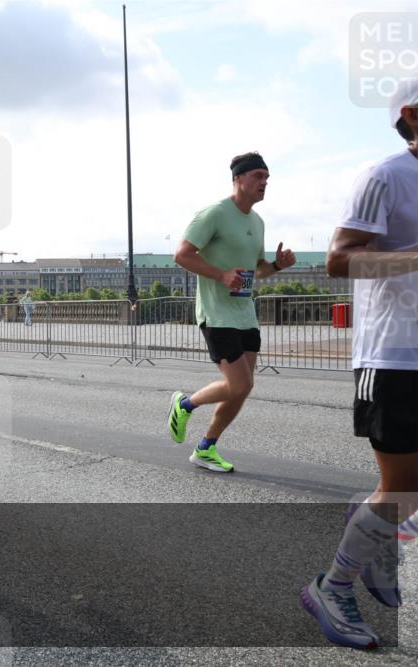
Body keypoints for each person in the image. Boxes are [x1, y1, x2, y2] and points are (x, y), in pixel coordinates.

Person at [300, 78, 418, 650]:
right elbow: (338, 262)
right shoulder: (386, 175)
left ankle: (381, 528)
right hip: (395, 353)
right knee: (404, 488)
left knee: (403, 492)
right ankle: (334, 584)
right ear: (412, 115)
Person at [168, 151, 296, 473]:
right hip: (217, 313)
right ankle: (184, 404)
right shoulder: (214, 214)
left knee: (245, 387)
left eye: (267, 178)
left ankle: (206, 447)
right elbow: (182, 255)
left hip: (245, 314)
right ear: (238, 179)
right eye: (258, 176)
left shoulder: (257, 222)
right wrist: (220, 275)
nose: (264, 183)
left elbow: (257, 271)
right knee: (238, 385)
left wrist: (277, 266)